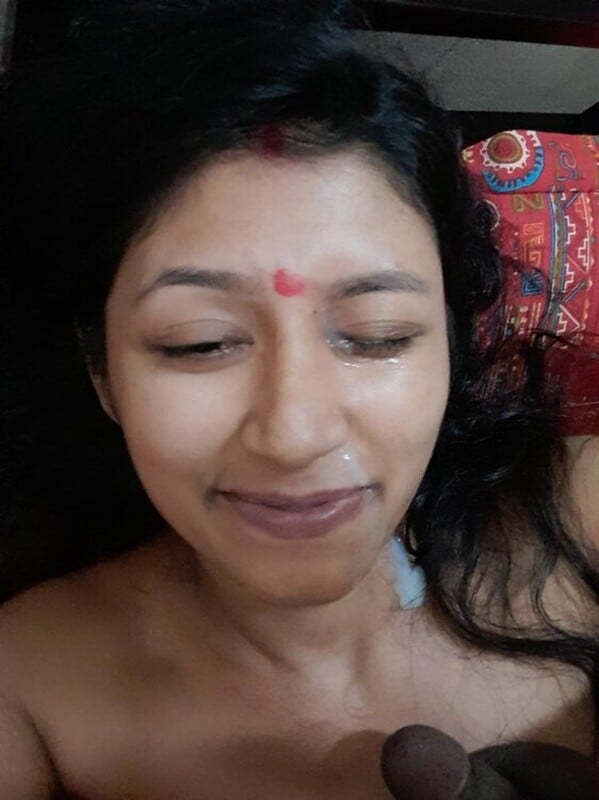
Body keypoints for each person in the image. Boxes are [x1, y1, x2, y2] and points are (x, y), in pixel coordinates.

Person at [1, 1, 598, 797]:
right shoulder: (27, 685)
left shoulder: (585, 513)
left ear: (451, 346)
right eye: (199, 342)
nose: (294, 433)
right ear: (100, 369)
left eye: (378, 335)